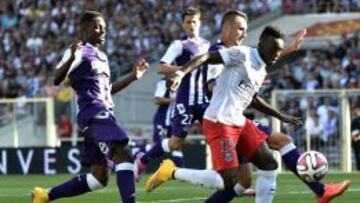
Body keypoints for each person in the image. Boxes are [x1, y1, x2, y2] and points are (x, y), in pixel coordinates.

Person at [203, 11, 350, 203]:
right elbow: (211, 85)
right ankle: (174, 172)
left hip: (236, 119)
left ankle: (321, 191)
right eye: (241, 29)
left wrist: (288, 50)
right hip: (222, 121)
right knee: (243, 176)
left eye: (246, 30)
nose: (244, 34)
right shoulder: (220, 51)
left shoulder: (244, 53)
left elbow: (261, 60)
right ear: (226, 28)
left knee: (246, 178)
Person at [147, 25, 287, 203]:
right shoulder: (242, 54)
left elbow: (253, 99)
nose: (276, 54)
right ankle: (171, 171)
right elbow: (205, 57)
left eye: (280, 50)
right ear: (261, 44)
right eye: (274, 48)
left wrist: (281, 116)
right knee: (228, 181)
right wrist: (180, 73)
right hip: (220, 121)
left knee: (269, 166)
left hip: (240, 122)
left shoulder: (262, 68)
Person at [31, 11, 149, 203]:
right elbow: (57, 78)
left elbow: (107, 90)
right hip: (92, 113)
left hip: (103, 113)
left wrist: (133, 76)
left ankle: (45, 195)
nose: (102, 31)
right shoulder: (79, 51)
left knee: (99, 177)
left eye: (104, 28)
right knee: (124, 155)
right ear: (84, 30)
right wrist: (71, 58)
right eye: (96, 27)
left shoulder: (102, 57)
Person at [134, 6, 210, 180]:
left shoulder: (207, 44)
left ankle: (232, 180)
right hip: (185, 99)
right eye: (188, 22)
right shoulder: (179, 45)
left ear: (200, 23)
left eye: (195, 21)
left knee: (218, 135)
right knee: (176, 143)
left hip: (204, 100)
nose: (192, 25)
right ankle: (143, 160)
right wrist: (185, 68)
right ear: (183, 24)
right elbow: (161, 67)